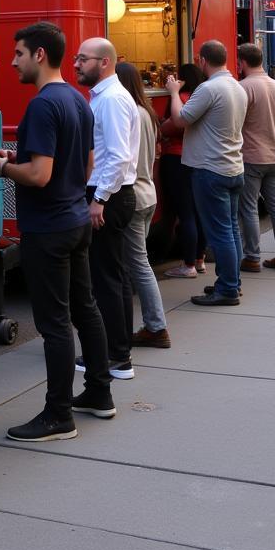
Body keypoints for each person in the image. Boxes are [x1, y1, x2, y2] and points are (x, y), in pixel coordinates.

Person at [0, 21, 113, 441]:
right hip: (75, 218)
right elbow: (87, 162)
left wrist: (4, 166)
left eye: (18, 53)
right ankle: (99, 392)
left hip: (48, 227)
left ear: (39, 55)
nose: (12, 62)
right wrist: (23, 157)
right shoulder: (78, 100)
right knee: (85, 308)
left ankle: (58, 414)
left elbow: (39, 175)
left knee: (55, 323)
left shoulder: (42, 105)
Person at [73, 38, 139, 379]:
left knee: (106, 277)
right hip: (112, 194)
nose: (76, 64)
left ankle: (116, 355)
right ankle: (116, 351)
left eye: (82, 59)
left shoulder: (111, 99)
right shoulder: (107, 96)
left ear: (104, 62)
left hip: (109, 197)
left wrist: (99, 199)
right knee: (113, 274)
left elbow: (117, 155)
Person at [166, 40, 247, 307]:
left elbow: (180, 120)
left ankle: (227, 289)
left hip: (210, 169)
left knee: (221, 232)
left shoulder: (208, 88)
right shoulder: (236, 86)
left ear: (202, 60)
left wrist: (174, 92)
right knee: (231, 230)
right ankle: (232, 282)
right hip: (233, 166)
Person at [114, 62, 169, 349]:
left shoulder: (127, 113)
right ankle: (147, 324)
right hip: (148, 192)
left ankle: (156, 326)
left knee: (138, 265)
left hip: (132, 196)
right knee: (135, 263)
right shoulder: (147, 113)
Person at [236, 43, 275, 273]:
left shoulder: (243, 88)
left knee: (248, 208)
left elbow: (235, 124)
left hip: (251, 156)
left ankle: (251, 256)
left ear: (242, 62)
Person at [160, 63, 207, 278]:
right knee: (198, 212)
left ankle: (187, 265)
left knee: (185, 213)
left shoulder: (183, 98)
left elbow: (172, 126)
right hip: (197, 159)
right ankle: (199, 259)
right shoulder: (203, 98)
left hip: (176, 159)